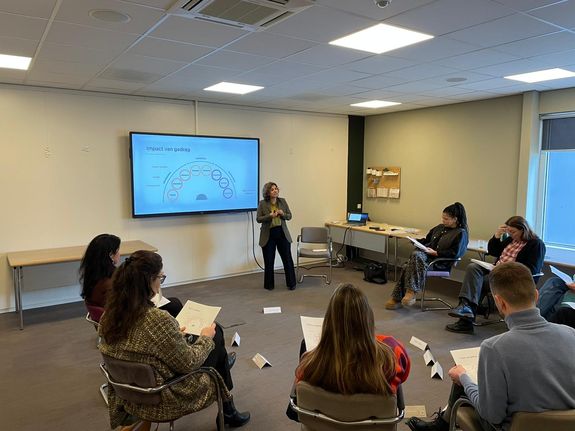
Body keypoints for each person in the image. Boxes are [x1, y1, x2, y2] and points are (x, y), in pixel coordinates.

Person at [407, 262, 575, 431]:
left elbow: (493, 415)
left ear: (499, 302)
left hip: (513, 427)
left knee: (463, 378)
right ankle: (442, 423)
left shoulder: (494, 348)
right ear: (536, 295)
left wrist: (463, 379)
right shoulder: (570, 334)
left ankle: (442, 425)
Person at [99, 250, 250, 431]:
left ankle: (228, 401)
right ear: (149, 281)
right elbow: (188, 363)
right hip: (163, 395)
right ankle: (227, 405)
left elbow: (139, 346)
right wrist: (205, 337)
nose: (160, 283)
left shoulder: (108, 317)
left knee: (213, 345)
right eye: (160, 278)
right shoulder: (156, 319)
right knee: (215, 336)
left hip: (128, 392)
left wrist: (172, 335)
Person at [293, 283, 410, 403]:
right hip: (373, 415)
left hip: (326, 415)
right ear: (368, 318)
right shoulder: (393, 353)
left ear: (329, 322)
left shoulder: (310, 366)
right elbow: (403, 377)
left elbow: (300, 397)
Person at [446, 216, 546, 334]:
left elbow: (531, 270)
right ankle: (467, 309)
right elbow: (493, 251)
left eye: (513, 232)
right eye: (509, 232)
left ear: (523, 230)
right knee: (473, 268)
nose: (511, 234)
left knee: (475, 281)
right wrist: (497, 236)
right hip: (496, 273)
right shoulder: (510, 240)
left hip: (512, 279)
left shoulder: (536, 244)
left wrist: (506, 268)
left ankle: (466, 317)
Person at [385, 202, 469, 310]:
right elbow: (427, 241)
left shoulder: (461, 233)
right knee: (411, 262)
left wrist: (436, 253)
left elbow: (455, 253)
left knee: (414, 258)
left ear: (455, 219)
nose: (443, 221)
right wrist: (415, 241)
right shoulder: (439, 227)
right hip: (426, 258)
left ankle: (410, 292)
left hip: (439, 262)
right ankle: (400, 297)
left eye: (446, 219)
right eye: (442, 218)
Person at [79, 233, 183, 318]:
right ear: (111, 255)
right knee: (174, 304)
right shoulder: (112, 281)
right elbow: (129, 304)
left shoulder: (93, 274)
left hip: (112, 316)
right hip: (125, 318)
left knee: (172, 302)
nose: (119, 253)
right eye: (118, 250)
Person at [256, 182, 297, 290]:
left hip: (282, 233)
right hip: (268, 234)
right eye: (272, 189)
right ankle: (269, 285)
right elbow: (258, 219)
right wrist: (269, 216)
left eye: (276, 188)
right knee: (269, 260)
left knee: (287, 259)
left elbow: (289, 216)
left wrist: (283, 214)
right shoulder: (262, 203)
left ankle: (291, 283)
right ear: (267, 192)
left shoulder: (282, 201)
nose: (275, 191)